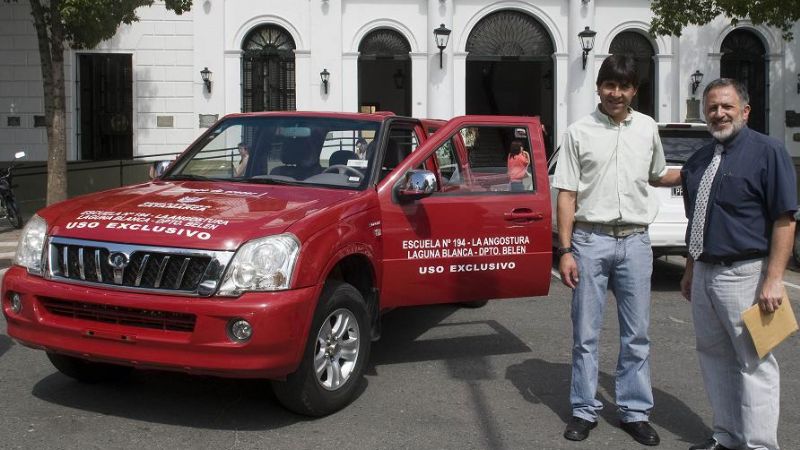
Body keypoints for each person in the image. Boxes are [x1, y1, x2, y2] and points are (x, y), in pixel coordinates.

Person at [552, 54, 681, 446]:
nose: (616, 93)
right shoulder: (578, 132)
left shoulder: (647, 128)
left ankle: (634, 411)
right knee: (586, 333)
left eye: (624, 86)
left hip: (637, 242)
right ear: (599, 87)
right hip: (590, 241)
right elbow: (567, 195)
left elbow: (658, 175)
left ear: (634, 90)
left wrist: (704, 166)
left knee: (637, 333)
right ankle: (583, 409)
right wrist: (565, 250)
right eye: (610, 85)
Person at [680, 78, 796, 450]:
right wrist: (690, 267)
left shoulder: (768, 151)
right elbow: (696, 218)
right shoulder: (698, 159)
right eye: (712, 107)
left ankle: (760, 445)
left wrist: (774, 279)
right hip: (704, 273)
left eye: (727, 106)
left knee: (755, 362)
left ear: (744, 111)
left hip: (746, 274)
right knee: (713, 357)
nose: (719, 113)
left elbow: (784, 219)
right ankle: (727, 436)